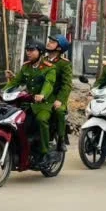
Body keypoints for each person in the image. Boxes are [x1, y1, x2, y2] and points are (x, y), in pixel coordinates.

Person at [40, 35, 74, 166]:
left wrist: (60, 100)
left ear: (59, 47)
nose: (48, 43)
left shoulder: (64, 64)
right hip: (41, 95)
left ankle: (60, 139)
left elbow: (67, 85)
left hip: (56, 97)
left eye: (53, 42)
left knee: (59, 112)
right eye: (49, 41)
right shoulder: (41, 60)